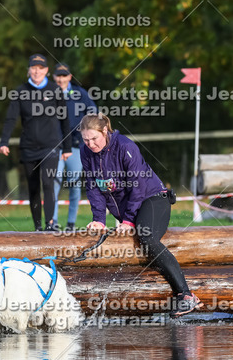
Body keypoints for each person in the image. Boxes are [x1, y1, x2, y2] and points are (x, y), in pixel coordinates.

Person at [79, 113, 203, 318]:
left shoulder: (125, 146)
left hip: (153, 198)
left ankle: (186, 295)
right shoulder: (85, 152)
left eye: (94, 138)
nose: (90, 144)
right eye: (85, 140)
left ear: (105, 131)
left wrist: (128, 220)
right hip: (130, 206)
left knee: (146, 236)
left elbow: (138, 186)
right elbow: (93, 187)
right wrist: (99, 219)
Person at [0, 53, 72, 231]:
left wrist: (67, 147)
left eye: (40, 68)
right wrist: (4, 142)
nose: (37, 71)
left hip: (51, 145)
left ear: (46, 71)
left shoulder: (55, 90)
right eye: (33, 68)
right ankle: (38, 227)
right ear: (28, 70)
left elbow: (65, 119)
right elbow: (11, 118)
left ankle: (50, 224)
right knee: (33, 187)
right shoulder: (20, 91)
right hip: (28, 146)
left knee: (48, 182)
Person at [51, 63, 97, 230]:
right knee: (53, 184)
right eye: (58, 75)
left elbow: (92, 113)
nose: (61, 79)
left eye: (64, 75)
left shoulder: (80, 93)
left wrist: (83, 134)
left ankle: (71, 223)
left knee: (74, 184)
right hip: (55, 147)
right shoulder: (48, 94)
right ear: (54, 77)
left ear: (69, 77)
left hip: (76, 146)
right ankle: (53, 222)